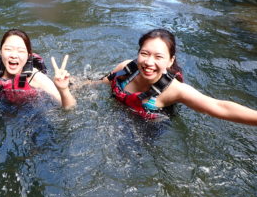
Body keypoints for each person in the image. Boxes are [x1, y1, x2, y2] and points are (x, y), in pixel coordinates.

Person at [99, 28, 257, 125]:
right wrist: (75, 84)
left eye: (158, 57)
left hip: (146, 129)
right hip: (114, 115)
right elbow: (100, 83)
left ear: (170, 61)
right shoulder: (126, 68)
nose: (148, 62)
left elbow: (219, 107)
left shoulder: (175, 90)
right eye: (144, 53)